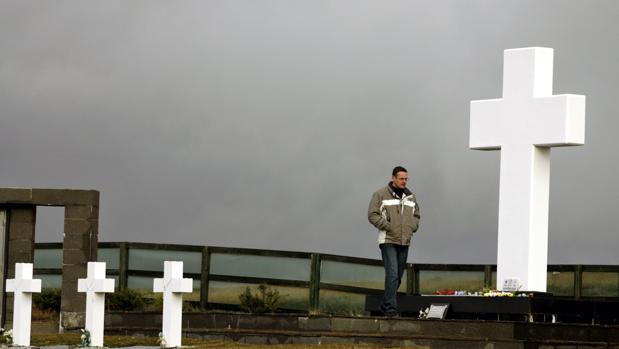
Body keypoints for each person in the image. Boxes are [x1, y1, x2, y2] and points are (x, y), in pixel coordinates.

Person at [367, 166, 420, 317]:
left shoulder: (411, 197)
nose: (404, 181)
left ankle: (384, 305)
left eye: (406, 179)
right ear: (393, 178)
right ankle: (390, 309)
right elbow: (372, 214)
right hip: (388, 240)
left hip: (405, 241)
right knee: (392, 274)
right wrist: (388, 227)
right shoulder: (380, 194)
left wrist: (412, 227)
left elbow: (417, 216)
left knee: (398, 276)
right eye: (401, 178)